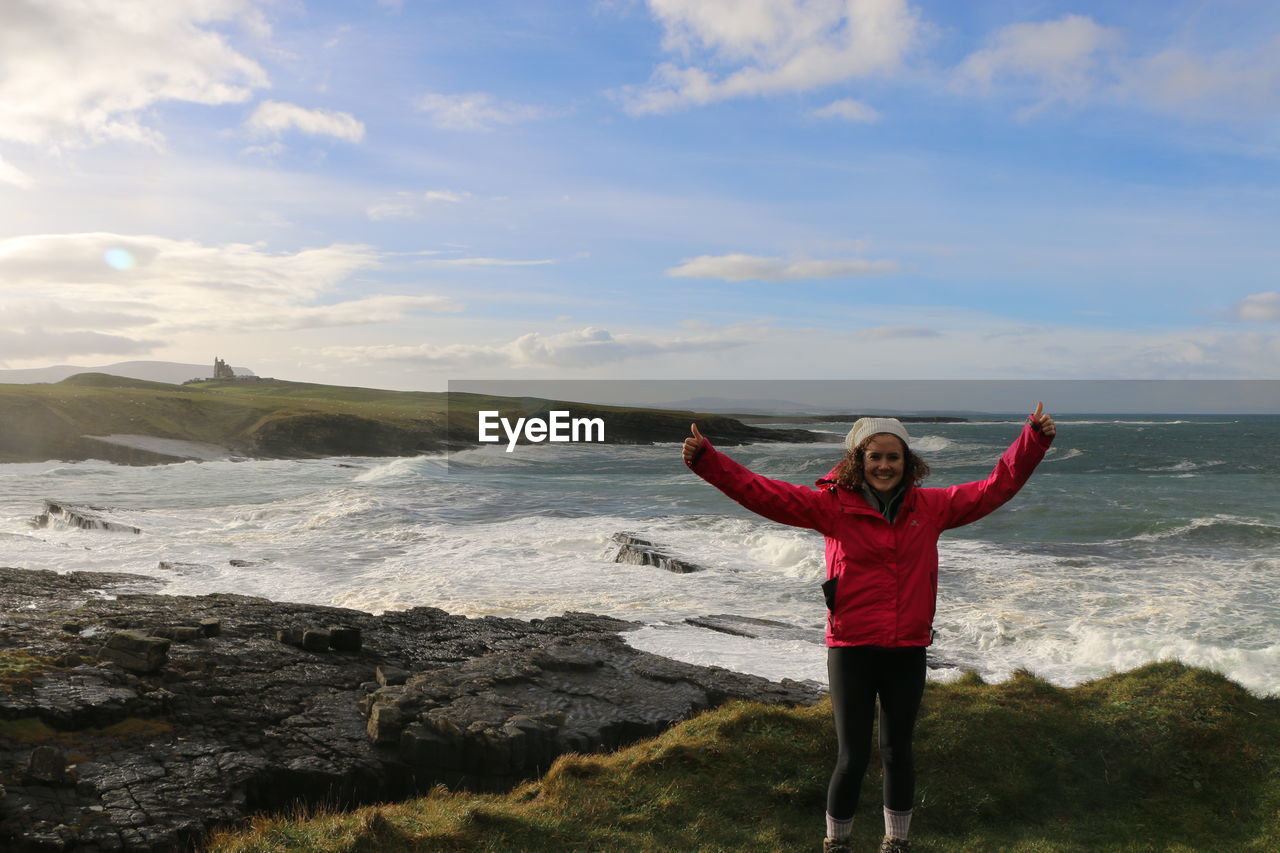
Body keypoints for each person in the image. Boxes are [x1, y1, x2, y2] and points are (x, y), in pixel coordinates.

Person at [682, 404, 1056, 853]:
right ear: (858, 462)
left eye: (893, 457)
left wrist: (1032, 440)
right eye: (874, 457)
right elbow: (762, 493)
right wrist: (708, 460)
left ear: (907, 462)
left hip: (908, 648)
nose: (883, 465)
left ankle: (896, 843)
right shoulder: (831, 508)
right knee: (852, 756)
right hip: (851, 648)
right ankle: (836, 844)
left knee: (898, 753)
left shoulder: (932, 508)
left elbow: (997, 487)